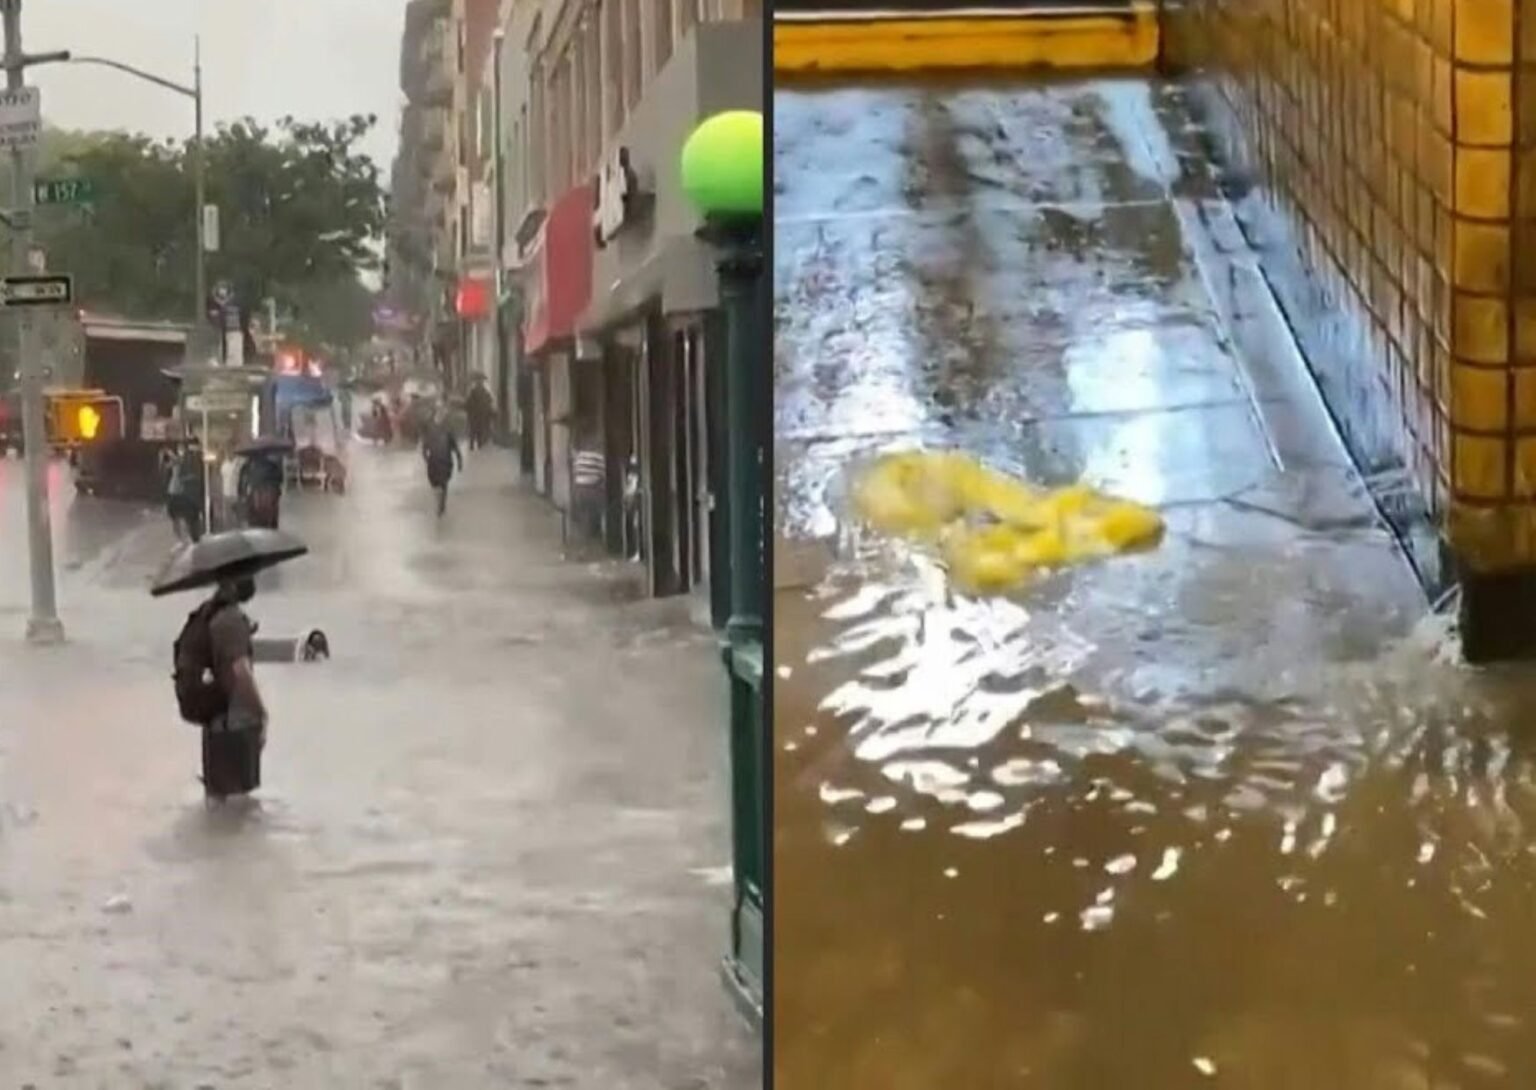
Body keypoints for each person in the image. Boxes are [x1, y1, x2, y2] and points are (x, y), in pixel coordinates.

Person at [172, 575, 267, 802]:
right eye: (246, 574)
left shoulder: (209, 613)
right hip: (236, 726)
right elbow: (241, 673)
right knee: (239, 812)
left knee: (218, 805)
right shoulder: (230, 620)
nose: (252, 580)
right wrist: (261, 714)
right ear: (233, 581)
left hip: (216, 726)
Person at [421, 407, 463, 517]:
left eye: (442, 414)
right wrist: (425, 455)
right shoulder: (429, 427)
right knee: (435, 483)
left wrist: (459, 461)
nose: (441, 416)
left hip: (445, 460)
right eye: (439, 414)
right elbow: (425, 443)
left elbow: (455, 446)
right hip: (433, 460)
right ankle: (439, 501)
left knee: (443, 483)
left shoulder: (448, 429)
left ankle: (441, 505)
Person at [165, 441, 206, 543]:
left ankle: (187, 536)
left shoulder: (185, 460)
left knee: (186, 516)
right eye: (179, 449)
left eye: (182, 449)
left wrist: (171, 454)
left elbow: (178, 461)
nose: (181, 451)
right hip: (174, 490)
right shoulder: (178, 461)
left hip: (183, 492)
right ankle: (179, 538)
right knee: (175, 517)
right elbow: (168, 465)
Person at [466, 378, 494, 451]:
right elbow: (489, 401)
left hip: (474, 415)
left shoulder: (472, 392)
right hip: (481, 414)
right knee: (480, 430)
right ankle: (479, 444)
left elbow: (468, 403)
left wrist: (469, 412)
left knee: (473, 430)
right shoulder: (485, 392)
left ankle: (472, 445)